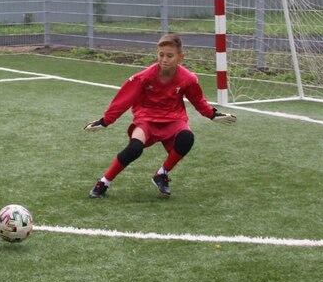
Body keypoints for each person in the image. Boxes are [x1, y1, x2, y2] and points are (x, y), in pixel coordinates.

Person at [84, 33, 236, 198]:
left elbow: (198, 100)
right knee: (134, 148)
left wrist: (212, 114)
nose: (164, 59)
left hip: (174, 119)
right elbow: (123, 100)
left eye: (170, 56)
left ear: (180, 57)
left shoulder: (188, 78)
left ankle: (162, 174)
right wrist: (105, 121)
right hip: (146, 119)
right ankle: (104, 182)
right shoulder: (144, 77)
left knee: (187, 138)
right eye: (161, 55)